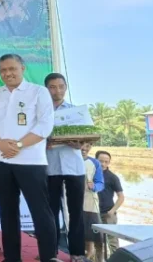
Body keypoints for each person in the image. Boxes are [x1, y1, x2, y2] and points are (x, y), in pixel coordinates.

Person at [0, 54, 58, 262]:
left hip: (31, 162)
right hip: (1, 161)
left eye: (12, 69)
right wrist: (1, 144)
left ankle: (49, 257)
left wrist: (19, 145)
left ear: (22, 68)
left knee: (41, 212)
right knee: (7, 213)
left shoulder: (38, 92)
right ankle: (12, 258)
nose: (8, 73)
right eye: (3, 70)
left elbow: (45, 126)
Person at [44, 73, 89, 262]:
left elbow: (88, 139)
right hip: (50, 167)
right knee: (51, 211)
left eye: (61, 86)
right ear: (46, 89)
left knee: (76, 211)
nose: (57, 90)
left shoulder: (77, 112)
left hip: (74, 167)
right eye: (52, 87)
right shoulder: (41, 112)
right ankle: (50, 251)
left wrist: (82, 144)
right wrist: (43, 143)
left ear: (66, 87)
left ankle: (77, 252)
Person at [94, 150, 124, 257]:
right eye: (100, 161)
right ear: (95, 160)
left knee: (113, 242)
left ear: (109, 163)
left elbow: (121, 197)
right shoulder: (90, 175)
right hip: (94, 213)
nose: (103, 164)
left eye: (106, 162)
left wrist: (112, 211)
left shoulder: (113, 177)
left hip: (108, 214)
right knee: (97, 242)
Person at [81, 143, 104, 261]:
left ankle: (90, 256)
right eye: (82, 145)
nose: (84, 149)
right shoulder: (68, 160)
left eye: (88, 146)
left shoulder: (95, 163)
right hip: (70, 201)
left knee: (90, 234)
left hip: (89, 201)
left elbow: (100, 183)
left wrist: (94, 186)